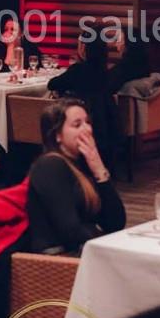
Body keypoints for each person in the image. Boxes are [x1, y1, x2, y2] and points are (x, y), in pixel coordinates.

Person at [25, 99, 125, 253]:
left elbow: (116, 222)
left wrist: (99, 170)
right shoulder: (50, 166)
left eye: (87, 122)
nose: (87, 129)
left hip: (84, 250)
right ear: (57, 135)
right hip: (56, 261)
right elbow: (69, 230)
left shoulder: (83, 163)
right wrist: (99, 236)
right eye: (77, 125)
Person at [48, 23, 116, 164]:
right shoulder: (105, 72)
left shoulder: (78, 71)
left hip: (81, 126)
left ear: (84, 48)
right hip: (105, 129)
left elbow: (52, 84)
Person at [105, 25, 152, 92]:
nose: (116, 45)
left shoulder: (124, 70)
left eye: (119, 41)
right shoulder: (143, 67)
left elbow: (103, 87)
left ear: (129, 44)